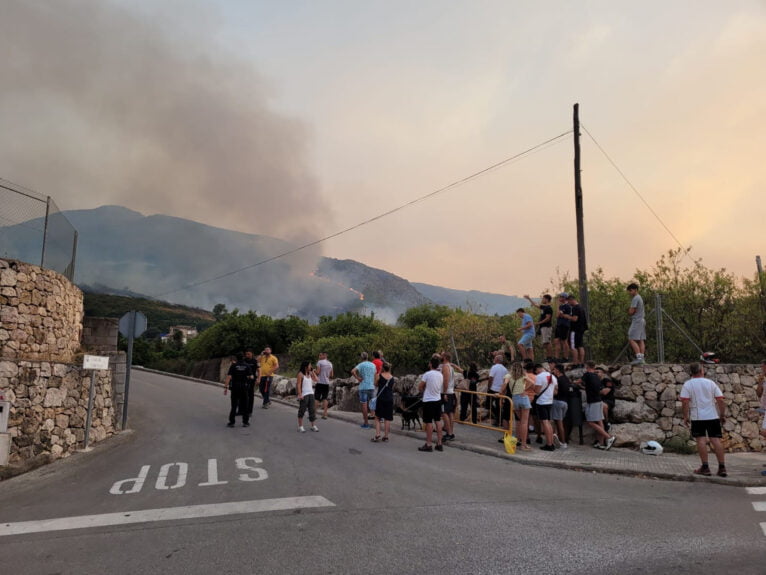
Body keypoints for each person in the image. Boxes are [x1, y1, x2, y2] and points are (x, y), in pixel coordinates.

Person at [680, 362, 727, 477]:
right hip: (712, 416)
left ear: (691, 372)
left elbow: (685, 401)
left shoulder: (688, 384)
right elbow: (720, 400)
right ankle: (722, 467)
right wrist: (722, 414)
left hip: (697, 417)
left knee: (700, 440)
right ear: (702, 371)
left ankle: (705, 467)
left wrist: (686, 416)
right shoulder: (711, 383)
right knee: (716, 440)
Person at [580, 361, 615, 450]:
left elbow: (605, 391)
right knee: (599, 421)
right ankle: (601, 442)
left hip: (602, 401)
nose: (596, 373)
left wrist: (596, 390)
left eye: (598, 372)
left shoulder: (606, 380)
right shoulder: (596, 379)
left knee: (590, 422)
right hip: (598, 401)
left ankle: (609, 436)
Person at [418, 356, 445, 452]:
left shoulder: (427, 374)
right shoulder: (440, 375)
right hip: (437, 399)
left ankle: (428, 444)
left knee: (429, 422)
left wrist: (424, 390)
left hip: (428, 400)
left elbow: (420, 386)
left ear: (430, 364)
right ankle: (439, 443)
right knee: (438, 421)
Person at [505, 362, 531, 450]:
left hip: (514, 398)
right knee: (524, 422)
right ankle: (523, 444)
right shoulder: (523, 376)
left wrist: (499, 393)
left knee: (518, 421)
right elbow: (533, 383)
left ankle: (517, 440)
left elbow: (504, 385)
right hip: (523, 398)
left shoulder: (508, 376)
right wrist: (525, 390)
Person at [224, 354, 254, 428]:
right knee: (245, 405)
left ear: (236, 358)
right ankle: (245, 422)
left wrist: (225, 387)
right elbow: (251, 376)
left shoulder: (233, 366)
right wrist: (248, 378)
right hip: (244, 387)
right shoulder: (247, 366)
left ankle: (232, 422)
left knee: (234, 405)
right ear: (243, 358)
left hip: (235, 387)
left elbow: (229, 377)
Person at [533, 363, 557, 451]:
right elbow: (555, 391)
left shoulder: (539, 377)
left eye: (535, 371)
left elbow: (537, 391)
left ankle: (549, 444)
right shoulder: (553, 377)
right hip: (550, 401)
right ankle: (551, 442)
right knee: (548, 422)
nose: (536, 373)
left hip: (542, 402)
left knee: (545, 422)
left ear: (538, 369)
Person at [524, 294, 554, 361]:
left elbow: (548, 318)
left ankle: (550, 357)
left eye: (543, 298)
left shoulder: (549, 308)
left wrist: (538, 323)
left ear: (546, 299)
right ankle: (547, 356)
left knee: (547, 342)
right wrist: (529, 299)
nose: (542, 300)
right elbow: (535, 305)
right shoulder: (544, 307)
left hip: (547, 327)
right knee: (545, 342)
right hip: (543, 327)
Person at [371, 362, 395, 443]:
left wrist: (379, 372)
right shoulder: (392, 378)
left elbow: (375, 384)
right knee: (387, 418)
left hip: (381, 398)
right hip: (390, 399)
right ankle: (386, 436)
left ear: (383, 368)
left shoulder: (380, 376)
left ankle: (377, 434)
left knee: (377, 417)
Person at [351, 352, 376, 429]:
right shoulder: (373, 365)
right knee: (373, 404)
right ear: (368, 357)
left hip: (363, 387)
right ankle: (376, 422)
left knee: (364, 405)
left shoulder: (361, 365)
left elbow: (352, 371)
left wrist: (358, 378)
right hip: (371, 386)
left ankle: (366, 423)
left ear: (362, 358)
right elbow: (375, 374)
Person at [550, 363, 570, 448]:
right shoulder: (566, 379)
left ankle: (562, 442)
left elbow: (555, 391)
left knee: (558, 423)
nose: (553, 371)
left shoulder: (558, 379)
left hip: (557, 402)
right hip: (565, 403)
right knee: (560, 422)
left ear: (557, 370)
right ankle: (560, 440)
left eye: (554, 369)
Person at [296, 360, 319, 433]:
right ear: (306, 367)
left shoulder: (310, 373)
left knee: (312, 410)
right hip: (304, 394)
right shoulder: (300, 374)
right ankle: (300, 426)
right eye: (310, 365)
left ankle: (313, 426)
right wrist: (300, 394)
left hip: (311, 393)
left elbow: (316, 380)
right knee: (302, 410)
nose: (311, 367)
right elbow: (298, 385)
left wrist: (313, 373)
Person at [627, 283, 646, 365]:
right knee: (640, 339)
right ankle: (642, 358)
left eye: (630, 290)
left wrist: (629, 311)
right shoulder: (640, 298)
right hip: (642, 320)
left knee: (631, 338)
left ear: (635, 290)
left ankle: (639, 358)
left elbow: (631, 311)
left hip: (637, 321)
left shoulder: (635, 298)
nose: (630, 293)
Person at [440, 352, 458, 441]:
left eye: (442, 355)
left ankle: (448, 433)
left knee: (444, 413)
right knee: (450, 413)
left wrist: (444, 393)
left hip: (446, 392)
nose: (440, 356)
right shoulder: (450, 367)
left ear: (445, 357)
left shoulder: (446, 367)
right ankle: (451, 432)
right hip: (450, 392)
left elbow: (446, 380)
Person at [567, 294, 587, 367]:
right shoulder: (581, 307)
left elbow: (575, 319)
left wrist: (567, 316)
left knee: (573, 346)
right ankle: (581, 362)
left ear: (571, 300)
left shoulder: (575, 308)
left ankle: (575, 363)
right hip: (581, 329)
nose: (569, 303)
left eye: (569, 301)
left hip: (575, 330)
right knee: (580, 346)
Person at [488, 354, 508, 426]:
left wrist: (489, 387)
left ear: (497, 360)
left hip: (493, 388)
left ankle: (498, 419)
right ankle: (499, 419)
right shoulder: (505, 369)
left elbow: (491, 378)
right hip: (500, 389)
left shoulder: (494, 367)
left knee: (488, 404)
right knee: (498, 405)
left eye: (495, 358)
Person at [553, 293, 573, 362]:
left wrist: (558, 306)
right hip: (559, 324)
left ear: (564, 298)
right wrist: (559, 311)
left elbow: (560, 314)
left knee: (564, 341)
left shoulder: (567, 306)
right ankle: (556, 357)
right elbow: (557, 315)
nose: (559, 298)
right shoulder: (561, 306)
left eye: (561, 297)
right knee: (556, 340)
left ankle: (566, 357)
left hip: (564, 325)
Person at [314, 352, 333, 420]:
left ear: (324, 355)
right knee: (325, 398)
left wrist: (314, 371)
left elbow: (318, 372)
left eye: (320, 355)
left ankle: (314, 414)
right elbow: (331, 375)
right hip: (326, 383)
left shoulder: (320, 362)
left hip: (320, 382)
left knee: (316, 398)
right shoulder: (330, 364)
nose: (319, 356)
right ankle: (325, 414)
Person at [242, 348, 260, 417]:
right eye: (246, 354)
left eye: (248, 354)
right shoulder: (243, 361)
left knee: (250, 395)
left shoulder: (255, 361)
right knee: (243, 395)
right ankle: (242, 410)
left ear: (252, 354)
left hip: (252, 380)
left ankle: (249, 411)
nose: (247, 355)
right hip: (243, 380)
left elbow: (259, 370)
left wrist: (258, 379)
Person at [757, 360, 766, 443]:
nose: (761, 368)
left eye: (762, 366)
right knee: (763, 432)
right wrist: (760, 381)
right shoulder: (763, 380)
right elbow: (759, 394)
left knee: (764, 431)